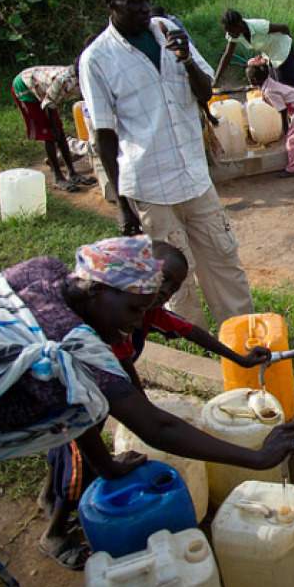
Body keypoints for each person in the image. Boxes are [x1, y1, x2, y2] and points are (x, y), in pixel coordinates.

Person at [0, 236, 294, 581]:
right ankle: (55, 532)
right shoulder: (77, 350)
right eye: (133, 310)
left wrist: (108, 467)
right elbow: (157, 429)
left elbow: (86, 410)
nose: (135, 322)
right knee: (70, 470)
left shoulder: (49, 273)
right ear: (97, 290)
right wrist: (258, 458)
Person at [38, 239, 271, 569]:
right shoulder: (105, 321)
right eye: (163, 279)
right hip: (79, 400)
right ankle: (56, 532)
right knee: (79, 464)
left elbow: (191, 332)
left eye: (173, 286)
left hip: (96, 394)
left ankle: (49, 497)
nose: (165, 291)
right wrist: (144, 412)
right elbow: (127, 375)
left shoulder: (145, 310)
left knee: (64, 454)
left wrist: (239, 359)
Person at [79, 0, 254, 329]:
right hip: (149, 187)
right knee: (173, 278)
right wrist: (122, 207)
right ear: (110, 3)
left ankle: (241, 335)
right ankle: (194, 344)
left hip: (194, 175)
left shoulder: (168, 30)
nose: (145, 8)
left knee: (223, 261)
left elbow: (206, 93)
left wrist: (187, 58)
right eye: (134, 2)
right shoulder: (97, 59)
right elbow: (105, 138)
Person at [11, 65, 97, 192]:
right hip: (25, 87)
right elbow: (49, 103)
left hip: (43, 91)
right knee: (49, 133)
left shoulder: (88, 78)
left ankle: (72, 173)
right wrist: (53, 127)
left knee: (60, 133)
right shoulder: (64, 81)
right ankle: (58, 177)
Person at [246, 57, 294, 177]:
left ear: (255, 80)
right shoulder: (269, 82)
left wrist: (286, 129)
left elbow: (282, 110)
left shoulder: (269, 92)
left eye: (250, 79)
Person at [213, 9, 294, 93]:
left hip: (282, 49)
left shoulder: (258, 26)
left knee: (286, 81)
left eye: (231, 31)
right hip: (269, 54)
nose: (229, 35)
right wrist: (216, 79)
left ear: (239, 26)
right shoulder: (234, 35)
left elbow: (284, 28)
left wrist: (287, 43)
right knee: (273, 83)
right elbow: (227, 56)